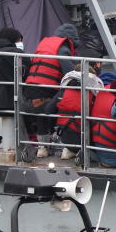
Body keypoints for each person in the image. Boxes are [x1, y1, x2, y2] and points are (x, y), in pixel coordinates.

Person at [21, 23, 80, 159]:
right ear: (72, 39)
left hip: (28, 94)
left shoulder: (44, 45)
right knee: (68, 103)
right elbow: (69, 74)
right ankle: (67, 147)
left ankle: (43, 148)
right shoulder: (63, 48)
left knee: (42, 113)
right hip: (44, 95)